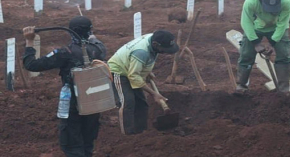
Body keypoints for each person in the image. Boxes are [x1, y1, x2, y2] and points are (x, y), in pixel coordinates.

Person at [23, 16, 107, 157]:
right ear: (90, 31)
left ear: (70, 32)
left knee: (72, 143)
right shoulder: (99, 48)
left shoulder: (65, 53)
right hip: (94, 101)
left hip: (73, 103)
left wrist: (30, 41)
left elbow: (32, 65)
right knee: (88, 142)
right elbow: (93, 42)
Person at [108, 30, 179, 135]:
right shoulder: (141, 52)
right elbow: (133, 76)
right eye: (164, 50)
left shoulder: (153, 38)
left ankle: (141, 133)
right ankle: (128, 135)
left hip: (131, 69)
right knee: (128, 102)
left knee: (142, 103)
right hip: (118, 72)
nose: (165, 52)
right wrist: (154, 94)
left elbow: (141, 63)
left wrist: (146, 71)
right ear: (155, 44)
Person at [236, 0, 290, 94]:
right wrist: (255, 43)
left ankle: (284, 90)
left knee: (284, 55)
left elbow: (282, 24)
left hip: (277, 28)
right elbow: (246, 22)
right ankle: (241, 86)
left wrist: (273, 43)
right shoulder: (251, 1)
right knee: (246, 55)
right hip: (255, 27)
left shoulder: (287, 2)